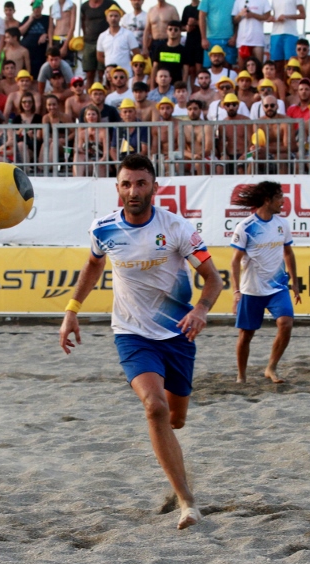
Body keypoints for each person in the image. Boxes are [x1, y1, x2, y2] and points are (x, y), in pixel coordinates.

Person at [58, 153, 223, 531]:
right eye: (126, 184)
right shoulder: (103, 229)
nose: (134, 191)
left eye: (141, 183)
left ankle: (171, 452)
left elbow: (213, 279)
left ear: (154, 187)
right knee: (155, 408)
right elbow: (94, 265)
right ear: (117, 188)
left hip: (178, 334)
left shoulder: (178, 228)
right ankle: (187, 502)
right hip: (131, 333)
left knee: (175, 418)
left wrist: (200, 309)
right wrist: (71, 310)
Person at [229, 181, 300, 384]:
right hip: (251, 288)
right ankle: (241, 375)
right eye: (279, 197)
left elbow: (288, 252)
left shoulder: (282, 224)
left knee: (286, 323)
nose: (283, 202)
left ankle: (271, 367)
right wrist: (236, 292)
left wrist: (294, 281)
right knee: (246, 334)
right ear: (267, 200)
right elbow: (234, 261)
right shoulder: (246, 227)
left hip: (277, 286)